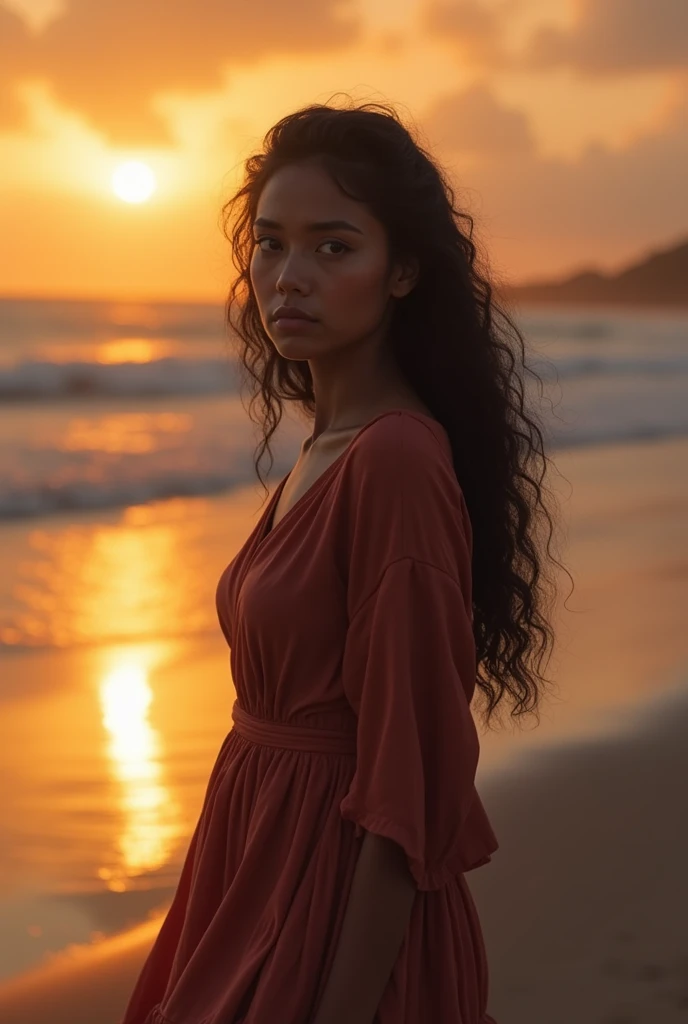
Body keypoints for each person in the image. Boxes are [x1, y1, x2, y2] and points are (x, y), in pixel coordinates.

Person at [120, 98, 568, 1024]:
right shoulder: (332, 445)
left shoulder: (395, 462)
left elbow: (412, 790)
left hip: (333, 906)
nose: (291, 277)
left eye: (334, 247)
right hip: (252, 864)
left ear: (402, 271)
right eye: (272, 244)